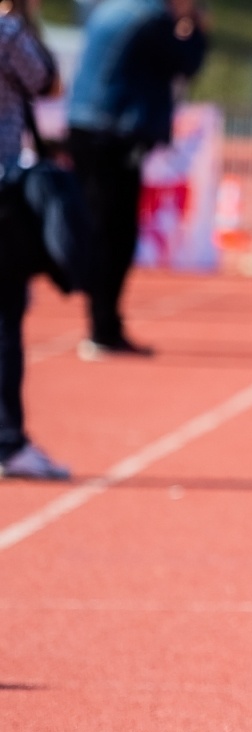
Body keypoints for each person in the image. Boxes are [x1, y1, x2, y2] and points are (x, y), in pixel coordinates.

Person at [67, 0, 206, 360]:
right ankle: (102, 327)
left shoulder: (115, 8)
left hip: (88, 124)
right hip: (113, 132)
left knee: (105, 229)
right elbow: (185, 63)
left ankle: (104, 325)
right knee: (115, 233)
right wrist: (197, 28)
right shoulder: (152, 19)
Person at [0, 0, 68, 479]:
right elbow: (49, 82)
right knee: (4, 317)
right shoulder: (7, 32)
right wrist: (22, 17)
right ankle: (7, 442)